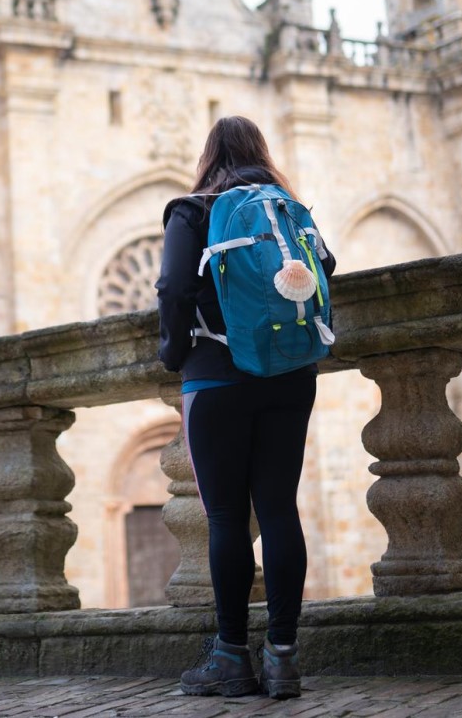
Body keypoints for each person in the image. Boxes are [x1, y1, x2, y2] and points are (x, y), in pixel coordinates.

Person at [155, 115, 335, 700]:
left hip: (215, 380)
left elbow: (175, 289)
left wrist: (173, 350)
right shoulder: (287, 207)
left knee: (228, 517)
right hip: (289, 373)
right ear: (260, 153)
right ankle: (282, 656)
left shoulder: (192, 210)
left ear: (209, 156)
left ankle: (231, 655)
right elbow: (323, 269)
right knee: (280, 509)